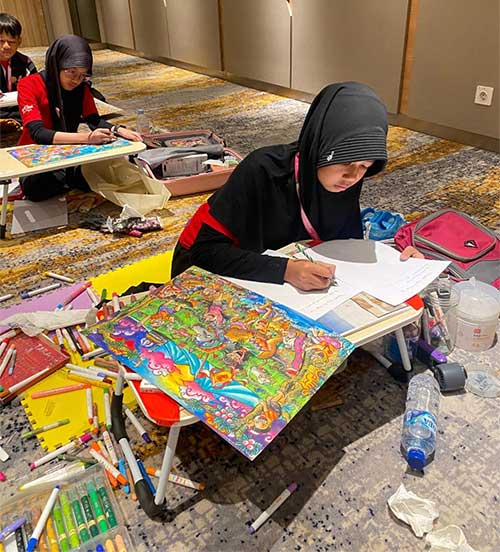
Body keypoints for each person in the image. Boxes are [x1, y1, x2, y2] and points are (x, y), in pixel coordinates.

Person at [172, 82, 423, 291]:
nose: (352, 176)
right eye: (345, 162)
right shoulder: (262, 169)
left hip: (285, 266)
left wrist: (396, 257)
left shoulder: (344, 181)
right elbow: (204, 253)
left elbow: (343, 243)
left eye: (365, 166)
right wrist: (285, 270)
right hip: (204, 264)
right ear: (320, 146)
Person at [17, 34, 142, 202]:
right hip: (35, 155)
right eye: (71, 72)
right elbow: (38, 133)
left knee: (105, 175)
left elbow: (93, 120)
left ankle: (69, 181)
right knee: (37, 189)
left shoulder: (81, 88)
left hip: (68, 153)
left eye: (83, 75)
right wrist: (88, 138)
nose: (76, 80)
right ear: (56, 64)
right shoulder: (29, 85)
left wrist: (119, 130)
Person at [0, 13, 37, 122]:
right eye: (1, 41)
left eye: (11, 42)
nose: (6, 46)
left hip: (21, 114)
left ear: (19, 42)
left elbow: (36, 92)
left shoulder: (25, 63)